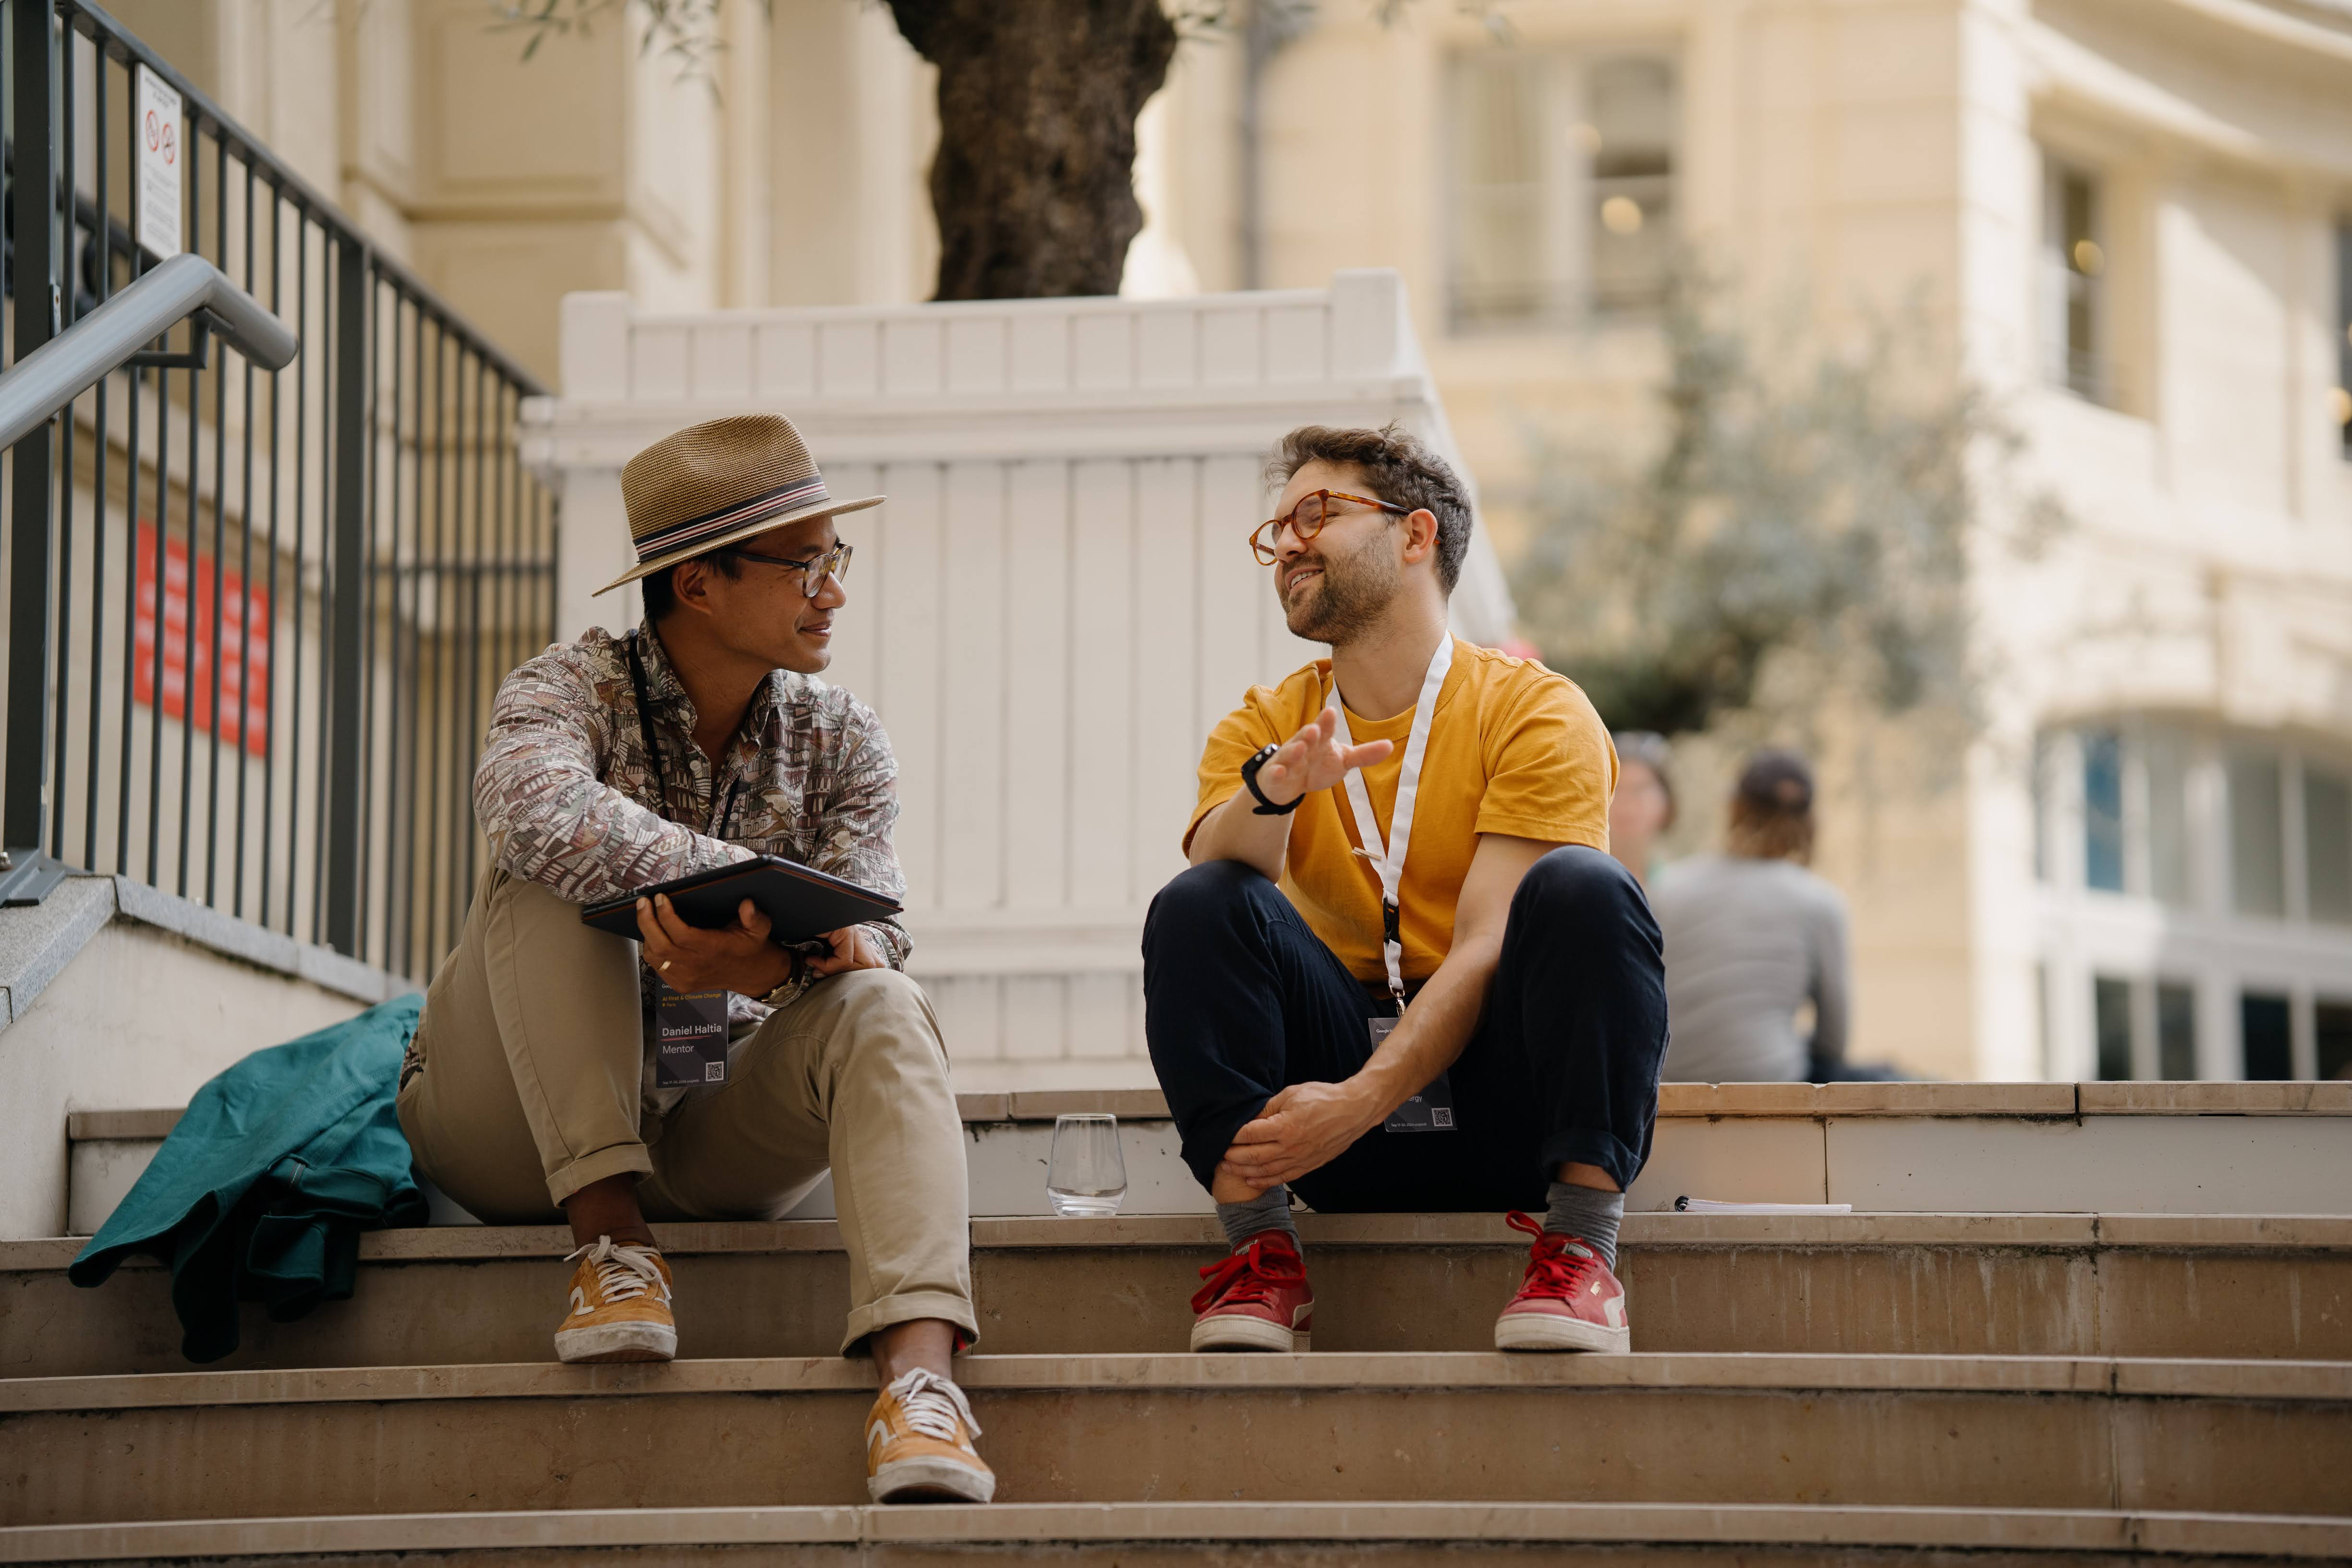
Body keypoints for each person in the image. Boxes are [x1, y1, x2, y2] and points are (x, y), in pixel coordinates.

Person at [395, 414, 994, 1505]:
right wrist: (731, 901)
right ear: (698, 584)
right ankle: (610, 1250)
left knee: (885, 1001)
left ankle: (918, 1391)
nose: (833, 591)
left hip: (714, 1125)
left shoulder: (843, 736)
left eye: (835, 558)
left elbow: (882, 929)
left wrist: (759, 966)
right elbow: (533, 809)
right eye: (803, 563)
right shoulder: (566, 686)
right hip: (508, 1132)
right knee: (551, 870)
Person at [1143, 423, 1670, 1357]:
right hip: (1333, 1117)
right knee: (1200, 902)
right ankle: (1261, 1257)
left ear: (1415, 536)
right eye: (1275, 531)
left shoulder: (1533, 711)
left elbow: (1485, 941)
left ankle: (1582, 1254)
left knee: (1586, 887)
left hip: (1500, 1106)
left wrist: (1361, 1097)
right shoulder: (1269, 723)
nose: (1288, 543)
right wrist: (1273, 789)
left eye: (1317, 512)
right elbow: (1223, 871)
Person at [1652, 748, 1852, 1084]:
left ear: (1734, 807)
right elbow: (1834, 1040)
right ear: (1811, 820)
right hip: (1770, 1079)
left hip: (1667, 1079)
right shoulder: (1820, 901)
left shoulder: (1666, 887)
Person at [1608, 731, 1676, 886]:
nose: (1627, 801)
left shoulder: (1681, 886)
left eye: (1640, 789)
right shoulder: (1574, 883)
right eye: (1616, 789)